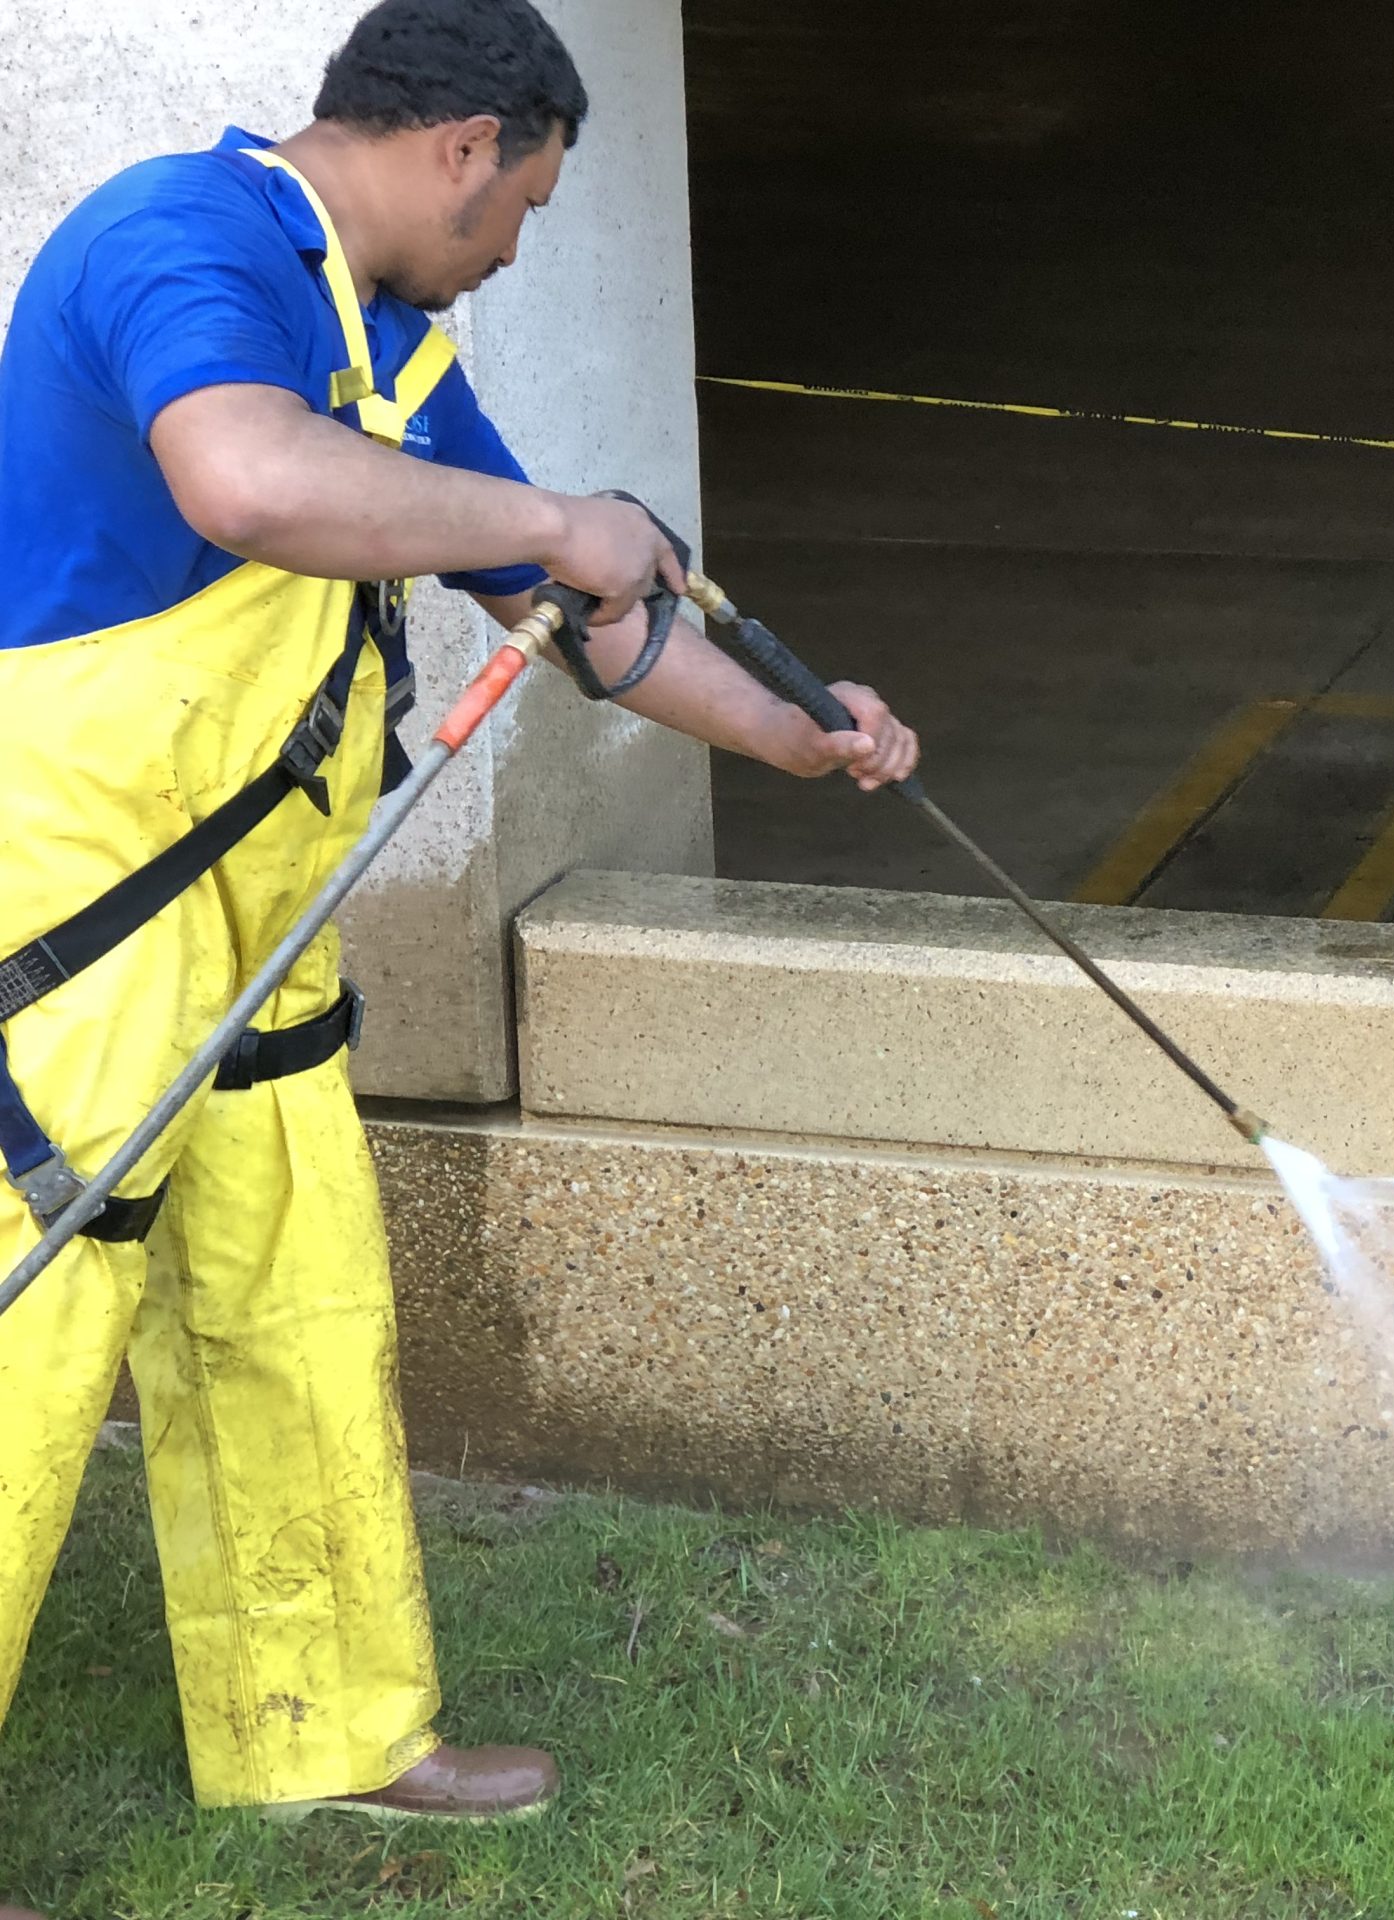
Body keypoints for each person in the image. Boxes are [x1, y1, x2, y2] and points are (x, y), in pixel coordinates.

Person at [0, 0, 918, 1892]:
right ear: (464, 147)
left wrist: (799, 730)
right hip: (74, 897)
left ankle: (318, 1727)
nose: (515, 250)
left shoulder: (395, 352)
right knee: (29, 1335)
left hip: (255, 910)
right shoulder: (182, 237)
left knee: (294, 1306)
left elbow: (574, 610)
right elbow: (248, 481)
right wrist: (562, 518)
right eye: (526, 206)